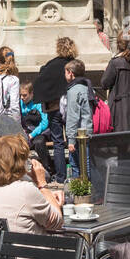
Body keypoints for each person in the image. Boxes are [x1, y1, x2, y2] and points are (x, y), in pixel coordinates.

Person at [0, 134, 63, 235]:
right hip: (27, 250)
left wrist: (47, 197)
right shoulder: (25, 191)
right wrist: (42, 183)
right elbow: (57, 223)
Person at [31, 37, 77, 182]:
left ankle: (61, 176)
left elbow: (40, 80)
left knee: (58, 142)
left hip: (54, 107)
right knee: (73, 140)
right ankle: (76, 175)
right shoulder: (74, 65)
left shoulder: (51, 65)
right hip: (70, 108)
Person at [101, 38, 130, 132]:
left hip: (120, 107)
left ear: (119, 45)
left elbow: (104, 84)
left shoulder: (115, 62)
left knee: (121, 140)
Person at [63, 58, 93, 178]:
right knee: (86, 165)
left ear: (70, 72)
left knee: (76, 166)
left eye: (65, 72)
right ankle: (89, 191)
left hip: (78, 135)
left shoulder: (74, 90)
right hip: (88, 131)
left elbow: (72, 116)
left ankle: (80, 194)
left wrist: (70, 140)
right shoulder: (87, 86)